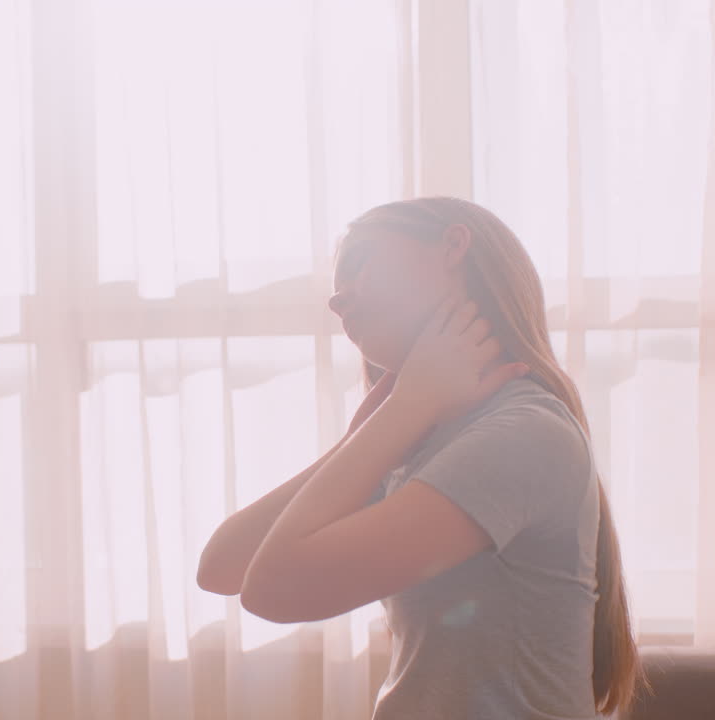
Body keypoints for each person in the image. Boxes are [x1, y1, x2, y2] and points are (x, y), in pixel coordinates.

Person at [197, 197, 641, 719]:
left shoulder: (523, 433)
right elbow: (222, 568)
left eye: (360, 261)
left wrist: (404, 410)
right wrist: (368, 436)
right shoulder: (428, 437)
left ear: (453, 245)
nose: (337, 301)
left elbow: (272, 591)